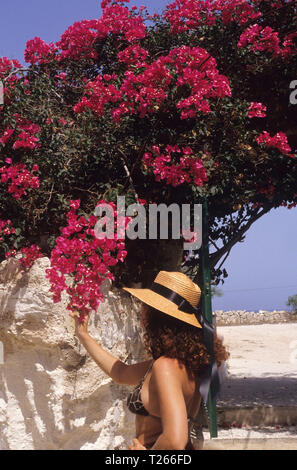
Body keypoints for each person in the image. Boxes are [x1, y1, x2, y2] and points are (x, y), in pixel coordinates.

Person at [70, 270, 229, 450]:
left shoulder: (165, 367)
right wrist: (83, 334)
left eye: (147, 307)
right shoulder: (186, 364)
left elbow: (175, 440)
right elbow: (121, 373)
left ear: (155, 316)